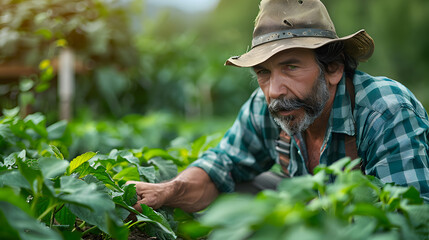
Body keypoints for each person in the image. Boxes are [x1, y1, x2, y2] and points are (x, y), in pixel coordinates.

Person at [127, 0, 429, 212]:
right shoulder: (268, 105)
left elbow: (410, 218)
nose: (274, 90)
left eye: (291, 67)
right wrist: (170, 190)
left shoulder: (386, 111)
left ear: (334, 69)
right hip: (312, 216)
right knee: (233, 191)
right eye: (263, 72)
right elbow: (223, 163)